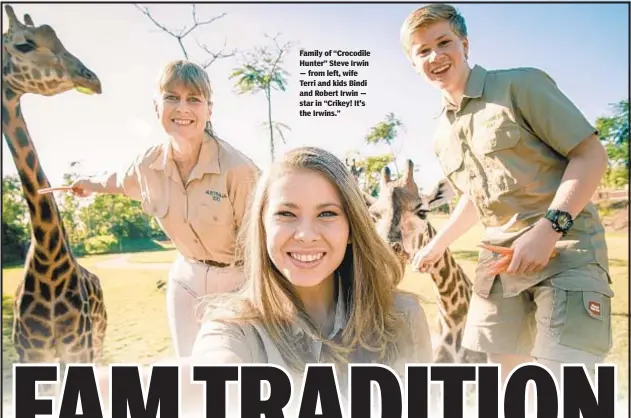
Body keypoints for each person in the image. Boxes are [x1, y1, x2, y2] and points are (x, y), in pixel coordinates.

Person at [93, 146, 433, 415]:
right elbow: (211, 375)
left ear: (350, 230)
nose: (305, 234)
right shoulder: (231, 328)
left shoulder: (402, 317)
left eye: (327, 214)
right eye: (286, 214)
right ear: (262, 227)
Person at [400, 3, 613, 385]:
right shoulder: (441, 135)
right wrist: (438, 245)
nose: (435, 56)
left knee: (563, 386)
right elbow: (474, 198)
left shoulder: (520, 86)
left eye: (444, 42)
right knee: (507, 385)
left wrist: (549, 230)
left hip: (566, 251)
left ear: (464, 43)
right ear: (413, 64)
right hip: (498, 264)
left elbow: (590, 154)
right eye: (422, 51)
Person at [71, 60, 260, 357]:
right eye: (172, 97)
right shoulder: (147, 164)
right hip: (187, 278)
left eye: (193, 99)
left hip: (238, 281)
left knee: (229, 368)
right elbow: (119, 181)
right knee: (188, 368)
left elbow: (262, 239)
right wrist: (88, 184)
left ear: (209, 110)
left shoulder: (238, 169)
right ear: (157, 107)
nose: (182, 108)